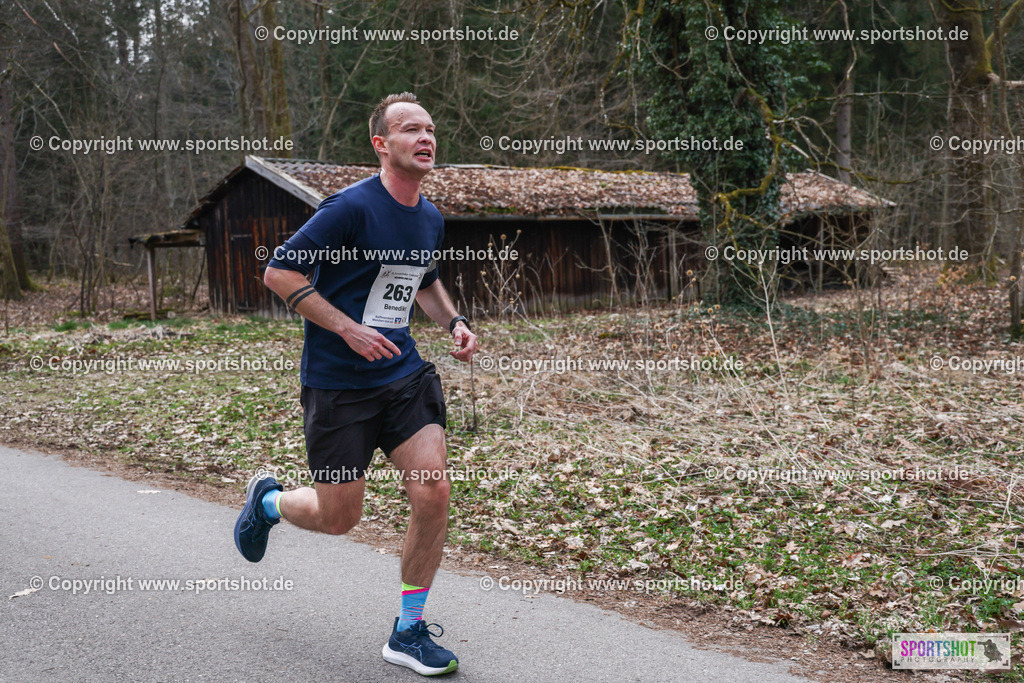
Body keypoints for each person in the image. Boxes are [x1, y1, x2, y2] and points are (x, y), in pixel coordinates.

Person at [233, 92, 477, 677]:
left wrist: (455, 321)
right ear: (381, 145)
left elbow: (426, 279)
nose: (425, 138)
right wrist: (348, 329)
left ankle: (409, 631)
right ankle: (267, 501)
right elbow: (278, 270)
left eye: (430, 129)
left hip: (402, 375)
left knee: (433, 491)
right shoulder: (349, 210)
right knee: (340, 517)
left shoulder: (430, 216)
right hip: (339, 385)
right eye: (410, 129)